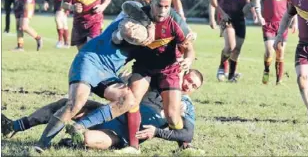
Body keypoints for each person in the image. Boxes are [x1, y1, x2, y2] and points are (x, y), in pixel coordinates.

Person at [66, 0, 195, 154]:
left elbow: (189, 47)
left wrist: (188, 59)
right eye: (159, 5)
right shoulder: (139, 15)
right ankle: (134, 146)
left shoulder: (175, 20)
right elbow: (117, 34)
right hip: (144, 67)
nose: (163, 10)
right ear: (151, 2)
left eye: (167, 6)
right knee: (131, 100)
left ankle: (185, 147)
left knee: (172, 114)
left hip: (168, 69)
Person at [33, 1, 154, 152]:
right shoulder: (130, 19)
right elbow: (120, 32)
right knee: (75, 104)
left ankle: (79, 126)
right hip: (90, 60)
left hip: (107, 72)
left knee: (128, 99)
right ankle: (41, 144)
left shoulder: (152, 34)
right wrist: (140, 31)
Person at [1, 69, 204, 155]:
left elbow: (186, 134)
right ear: (183, 75)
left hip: (119, 135)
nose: (188, 85)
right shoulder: (157, 85)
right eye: (188, 80)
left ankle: (71, 142)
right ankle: (14, 126)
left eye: (193, 86)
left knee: (87, 139)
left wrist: (156, 132)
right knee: (67, 104)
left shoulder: (185, 105)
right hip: (109, 112)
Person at [209, 0, 257, 82]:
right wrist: (220, 13)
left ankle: (231, 75)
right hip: (226, 18)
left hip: (240, 19)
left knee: (237, 49)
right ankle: (221, 67)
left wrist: (254, 11)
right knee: (230, 46)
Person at [255, 0, 296, 85]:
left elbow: (293, 6)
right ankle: (266, 70)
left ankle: (279, 80)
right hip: (268, 24)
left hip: (282, 25)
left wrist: (295, 22)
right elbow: (257, 1)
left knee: (280, 51)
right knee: (269, 51)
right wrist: (259, 16)